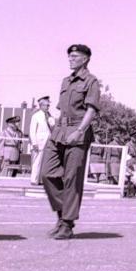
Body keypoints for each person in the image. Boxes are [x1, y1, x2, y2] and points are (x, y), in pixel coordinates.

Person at [40, 44, 101, 240]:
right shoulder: (66, 81)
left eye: (74, 56)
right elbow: (61, 109)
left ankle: (66, 223)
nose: (70, 59)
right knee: (47, 173)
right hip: (60, 130)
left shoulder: (91, 82)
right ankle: (62, 214)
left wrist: (80, 131)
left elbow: (91, 110)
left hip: (77, 131)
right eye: (69, 56)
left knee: (72, 178)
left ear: (85, 59)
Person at [29, 96, 54, 185]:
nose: (48, 107)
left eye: (48, 105)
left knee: (44, 162)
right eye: (46, 105)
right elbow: (32, 131)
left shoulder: (49, 116)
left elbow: (53, 126)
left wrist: (50, 118)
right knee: (37, 162)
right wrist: (34, 143)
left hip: (47, 142)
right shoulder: (36, 116)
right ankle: (34, 180)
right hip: (39, 142)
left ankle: (40, 180)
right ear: (41, 105)